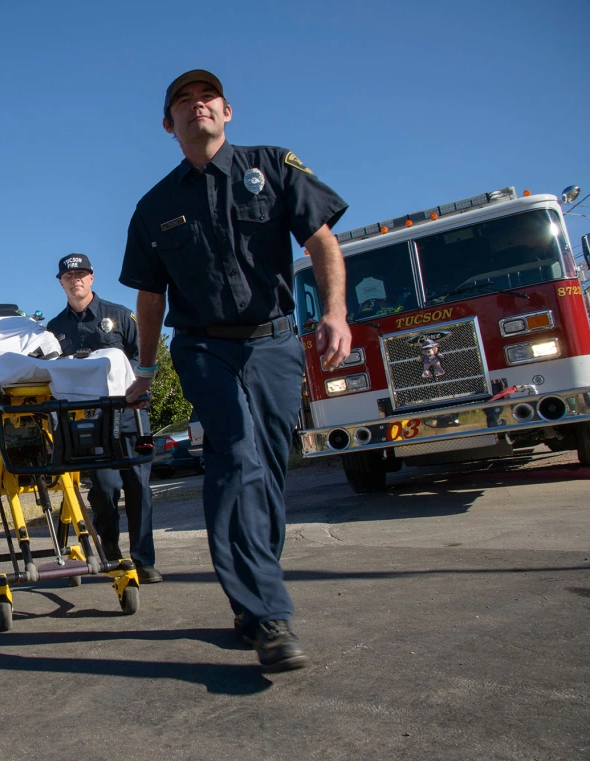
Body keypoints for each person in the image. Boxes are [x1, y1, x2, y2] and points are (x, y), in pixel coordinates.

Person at [120, 70, 351, 671]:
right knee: (239, 451)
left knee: (269, 468)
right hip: (202, 348)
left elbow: (321, 241)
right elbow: (150, 300)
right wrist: (146, 368)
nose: (197, 106)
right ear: (168, 125)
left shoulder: (273, 166)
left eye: (207, 98)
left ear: (228, 111)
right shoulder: (154, 206)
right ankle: (271, 615)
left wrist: (334, 312)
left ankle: (249, 604)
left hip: (274, 343)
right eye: (183, 101)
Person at [45, 253, 161, 584]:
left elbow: (142, 355)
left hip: (129, 414)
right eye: (69, 276)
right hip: (89, 423)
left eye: (81, 274)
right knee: (104, 489)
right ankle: (111, 549)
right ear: (61, 282)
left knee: (139, 486)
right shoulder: (54, 329)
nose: (75, 280)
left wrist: (140, 388)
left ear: (92, 278)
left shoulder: (120, 316)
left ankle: (143, 559)